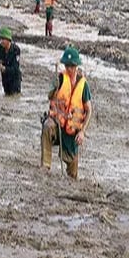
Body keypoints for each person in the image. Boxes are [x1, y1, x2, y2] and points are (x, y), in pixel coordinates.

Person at [41, 46, 91, 180]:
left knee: (72, 173)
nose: (69, 69)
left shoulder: (83, 85)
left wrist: (82, 132)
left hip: (72, 131)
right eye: (67, 66)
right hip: (58, 125)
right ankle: (45, 166)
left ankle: (72, 178)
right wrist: (54, 86)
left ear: (76, 66)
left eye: (71, 66)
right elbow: (50, 95)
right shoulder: (60, 79)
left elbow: (89, 110)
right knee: (47, 126)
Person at [0, 27, 21, 96]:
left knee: (15, 96)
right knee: (7, 95)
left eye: (4, 39)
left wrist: (4, 68)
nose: (2, 41)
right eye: (1, 39)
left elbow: (15, 68)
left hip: (14, 79)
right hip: (5, 79)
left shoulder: (16, 50)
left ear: (9, 40)